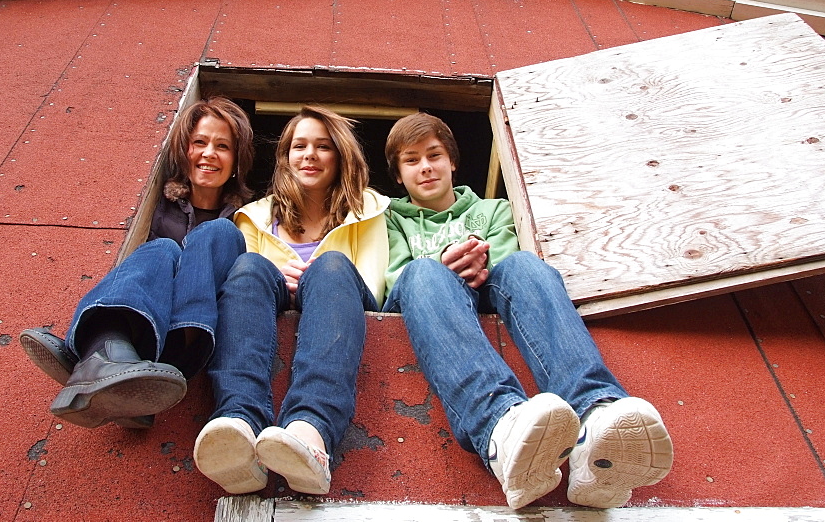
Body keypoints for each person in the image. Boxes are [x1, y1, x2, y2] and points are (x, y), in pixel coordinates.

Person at [381, 112, 673, 510]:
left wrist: (472, 266)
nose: (426, 167)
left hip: (485, 288)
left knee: (524, 264)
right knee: (421, 272)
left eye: (434, 155)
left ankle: (596, 421)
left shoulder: (494, 209)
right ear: (398, 175)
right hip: (428, 300)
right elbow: (391, 278)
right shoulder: (389, 218)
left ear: (453, 160)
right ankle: (500, 428)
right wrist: (441, 264)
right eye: (411, 160)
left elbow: (499, 264)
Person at [19, 97, 254, 429]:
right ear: (185, 150)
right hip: (146, 329)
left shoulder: (251, 217)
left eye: (223, 146)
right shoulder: (159, 208)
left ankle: (100, 359)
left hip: (191, 338)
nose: (209, 153)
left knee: (216, 232)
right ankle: (107, 354)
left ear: (237, 159)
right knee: (160, 251)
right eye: (199, 142)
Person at [193, 106, 389, 496]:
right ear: (284, 157)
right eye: (299, 146)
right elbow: (241, 292)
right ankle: (239, 423)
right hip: (273, 299)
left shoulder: (369, 208)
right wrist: (277, 277)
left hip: (339, 296)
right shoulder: (252, 217)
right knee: (248, 265)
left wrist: (315, 278)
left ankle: (311, 430)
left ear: (341, 156)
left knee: (332, 265)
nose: (309, 155)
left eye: (323, 146)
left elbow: (374, 285)